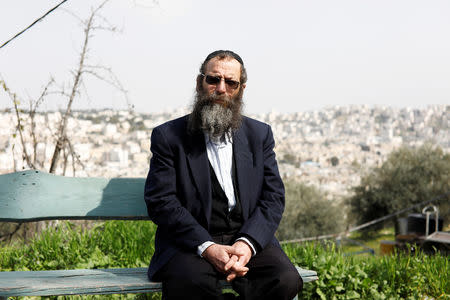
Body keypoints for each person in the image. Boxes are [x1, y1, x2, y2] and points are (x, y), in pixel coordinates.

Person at [144, 50, 302, 300]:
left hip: (247, 238)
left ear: (241, 89)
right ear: (199, 83)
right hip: (190, 241)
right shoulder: (169, 136)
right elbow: (161, 201)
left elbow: (273, 197)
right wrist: (208, 247)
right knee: (192, 283)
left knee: (285, 279)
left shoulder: (259, 135)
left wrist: (246, 244)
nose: (221, 89)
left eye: (231, 82)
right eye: (213, 79)